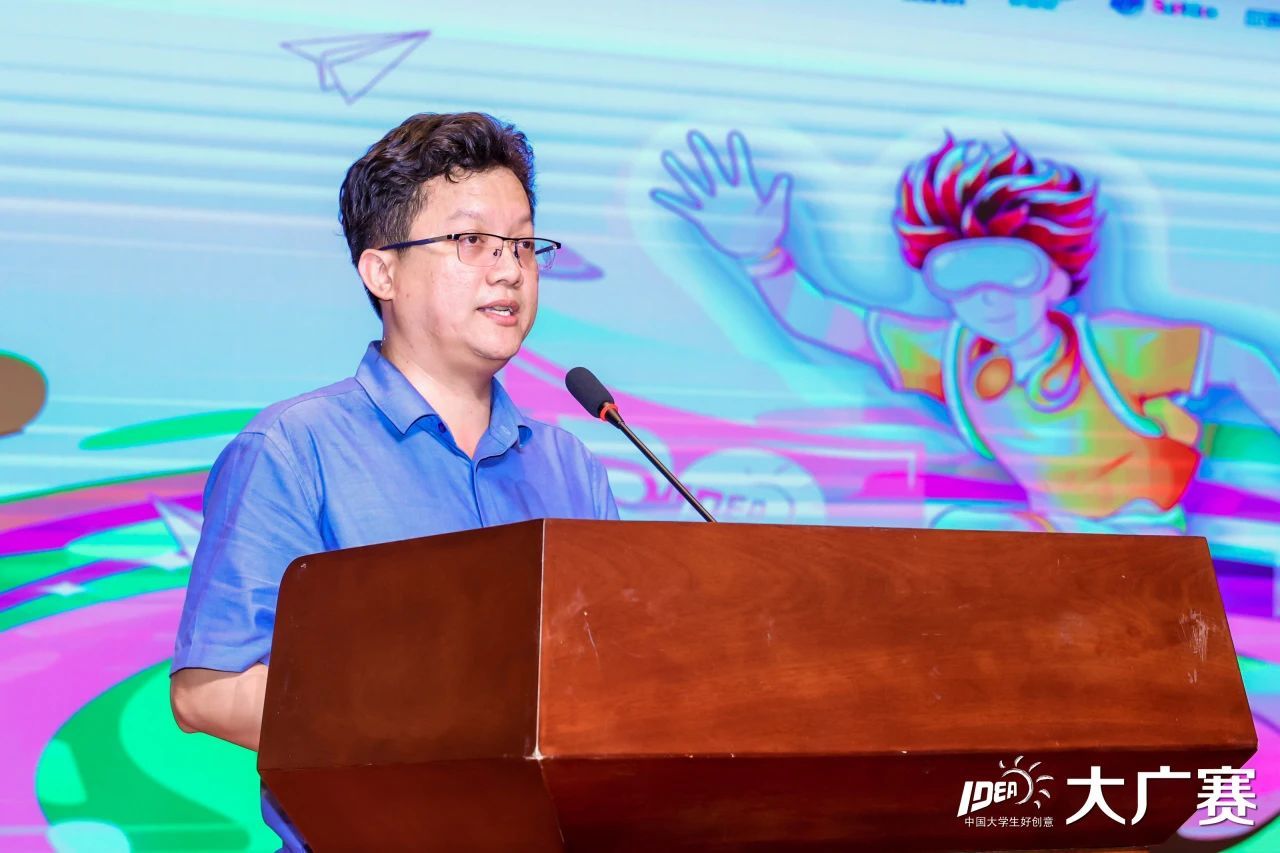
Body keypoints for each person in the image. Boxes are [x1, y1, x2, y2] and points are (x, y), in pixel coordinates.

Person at [170, 112, 619, 850]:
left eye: (522, 243)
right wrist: (444, 728)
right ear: (382, 271)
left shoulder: (570, 467)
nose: (509, 270)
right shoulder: (294, 449)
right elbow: (210, 690)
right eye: (471, 241)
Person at [653, 131, 1280, 534]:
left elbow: (1242, 363)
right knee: (953, 530)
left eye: (1011, 271)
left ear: (1056, 279)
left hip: (1142, 540)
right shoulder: (953, 357)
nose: (989, 297)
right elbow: (822, 322)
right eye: (959, 275)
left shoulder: (1115, 350)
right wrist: (763, 256)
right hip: (1051, 537)